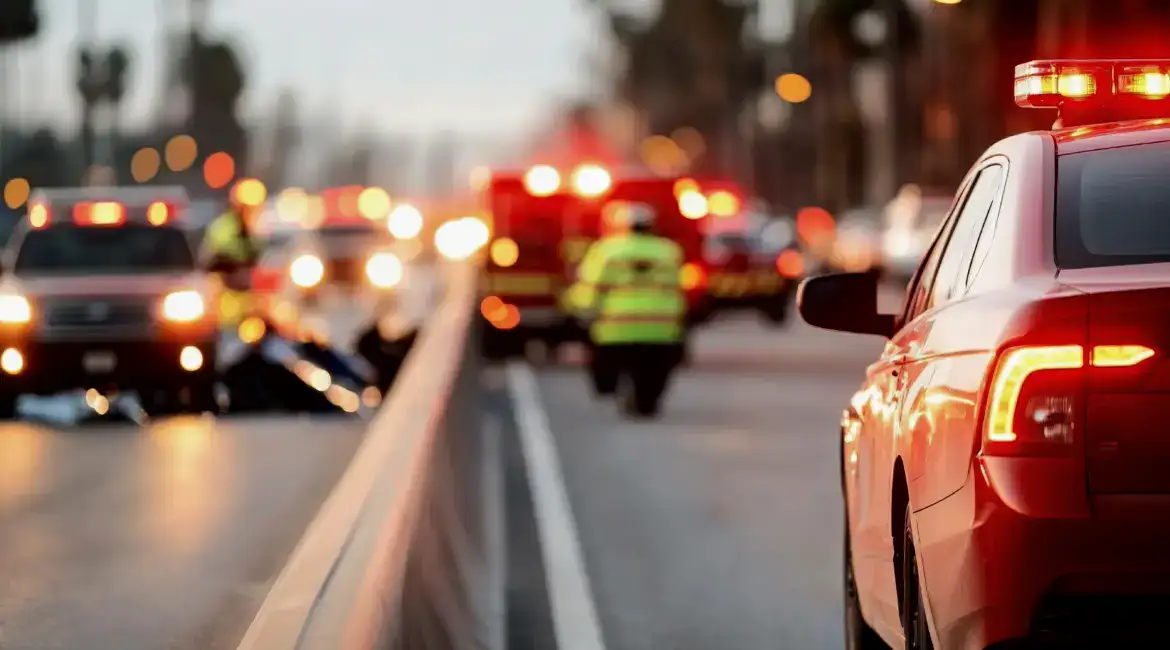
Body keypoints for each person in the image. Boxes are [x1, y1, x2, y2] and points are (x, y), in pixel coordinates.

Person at [564, 201, 687, 417]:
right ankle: (646, 402)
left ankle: (614, 390)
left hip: (616, 328)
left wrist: (577, 307)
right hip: (660, 328)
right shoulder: (669, 251)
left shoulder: (607, 250)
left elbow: (592, 286)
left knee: (611, 368)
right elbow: (678, 287)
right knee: (654, 372)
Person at [202, 196, 261, 328]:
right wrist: (237, 266)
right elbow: (217, 258)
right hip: (226, 293)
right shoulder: (224, 227)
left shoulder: (249, 225)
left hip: (245, 297)